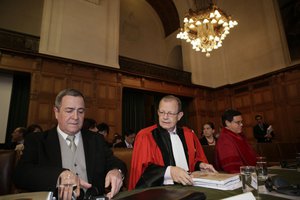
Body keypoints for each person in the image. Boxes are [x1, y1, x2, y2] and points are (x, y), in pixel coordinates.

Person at [14, 88, 126, 199]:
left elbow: (115, 162)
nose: (76, 117)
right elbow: (21, 174)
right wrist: (58, 176)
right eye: (69, 110)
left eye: (80, 111)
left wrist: (117, 171)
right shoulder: (37, 140)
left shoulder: (96, 139)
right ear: (56, 112)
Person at [128, 95, 216, 190]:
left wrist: (200, 165)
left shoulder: (189, 135)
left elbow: (191, 161)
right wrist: (169, 172)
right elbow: (141, 172)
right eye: (162, 112)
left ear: (179, 116)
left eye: (170, 113)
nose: (165, 117)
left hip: (190, 187)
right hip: (159, 192)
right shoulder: (145, 136)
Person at [215, 109, 258, 173]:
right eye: (238, 122)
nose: (241, 124)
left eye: (241, 122)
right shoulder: (224, 139)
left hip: (251, 172)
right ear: (227, 123)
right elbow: (232, 168)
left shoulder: (239, 136)